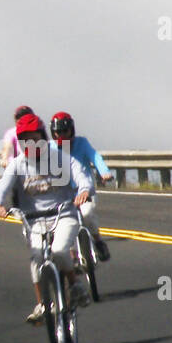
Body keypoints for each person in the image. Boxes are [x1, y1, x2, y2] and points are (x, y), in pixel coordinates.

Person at [0, 112, 94, 322]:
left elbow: (81, 174)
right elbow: (1, 186)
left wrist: (84, 190)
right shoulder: (18, 164)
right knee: (37, 259)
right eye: (25, 140)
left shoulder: (60, 158)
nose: (31, 144)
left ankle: (74, 283)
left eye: (35, 139)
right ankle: (42, 305)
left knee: (59, 251)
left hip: (63, 215)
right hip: (34, 220)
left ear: (43, 138)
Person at [49, 111, 113, 261]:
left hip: (84, 191)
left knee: (87, 214)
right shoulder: (49, 148)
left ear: (72, 130)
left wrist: (104, 172)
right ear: (53, 133)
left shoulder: (81, 143)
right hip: (62, 195)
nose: (62, 135)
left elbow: (95, 156)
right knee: (64, 225)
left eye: (65, 131)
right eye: (58, 132)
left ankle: (98, 241)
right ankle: (72, 257)